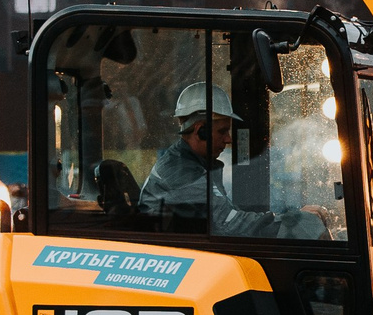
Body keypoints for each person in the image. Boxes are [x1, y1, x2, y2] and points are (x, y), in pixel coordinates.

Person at [138, 82, 324, 237]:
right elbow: (229, 226)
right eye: (222, 131)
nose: (228, 139)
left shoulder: (194, 164)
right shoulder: (182, 172)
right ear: (200, 130)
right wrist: (296, 222)